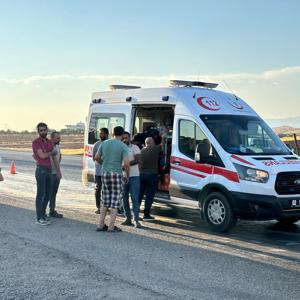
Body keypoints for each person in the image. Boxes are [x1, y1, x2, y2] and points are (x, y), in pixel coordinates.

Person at [95, 126, 129, 232]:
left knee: (104, 199)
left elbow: (96, 157)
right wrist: (126, 175)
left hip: (105, 173)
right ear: (123, 134)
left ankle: (100, 225)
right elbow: (127, 164)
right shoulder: (123, 146)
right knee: (115, 200)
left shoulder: (104, 143)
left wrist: (104, 164)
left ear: (112, 132)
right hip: (116, 173)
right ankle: (111, 226)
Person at [32, 122, 58, 225]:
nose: (43, 132)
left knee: (48, 194)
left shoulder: (48, 141)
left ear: (47, 130)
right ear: (38, 131)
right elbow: (42, 156)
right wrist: (50, 153)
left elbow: (52, 153)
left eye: (44, 130)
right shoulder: (36, 142)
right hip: (41, 170)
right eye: (41, 130)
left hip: (49, 169)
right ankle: (39, 218)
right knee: (41, 194)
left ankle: (43, 214)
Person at [121, 132, 142, 228]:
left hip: (134, 176)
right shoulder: (120, 148)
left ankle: (136, 220)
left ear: (130, 138)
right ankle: (127, 218)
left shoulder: (135, 148)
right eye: (123, 138)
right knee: (124, 198)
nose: (125, 140)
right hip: (123, 176)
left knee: (134, 198)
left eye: (126, 138)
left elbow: (138, 160)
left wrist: (126, 165)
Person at [139, 137, 162, 221]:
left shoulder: (141, 151)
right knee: (149, 196)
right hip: (152, 176)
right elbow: (162, 144)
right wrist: (163, 137)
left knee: (140, 195)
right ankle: (146, 215)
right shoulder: (155, 149)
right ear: (151, 143)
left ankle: (136, 213)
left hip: (141, 175)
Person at [93, 127, 109, 214]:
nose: (100, 135)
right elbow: (94, 158)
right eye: (100, 133)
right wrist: (105, 163)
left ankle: (106, 207)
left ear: (107, 134)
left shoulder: (110, 143)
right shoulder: (96, 144)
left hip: (109, 172)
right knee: (98, 189)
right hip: (99, 171)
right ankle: (99, 207)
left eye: (102, 133)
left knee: (107, 190)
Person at [48, 131, 63, 218]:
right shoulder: (48, 147)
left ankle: (52, 211)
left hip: (56, 173)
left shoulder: (58, 147)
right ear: (52, 138)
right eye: (57, 138)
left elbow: (59, 158)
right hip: (49, 173)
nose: (59, 139)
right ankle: (42, 212)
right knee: (47, 193)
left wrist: (58, 171)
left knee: (54, 193)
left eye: (59, 137)